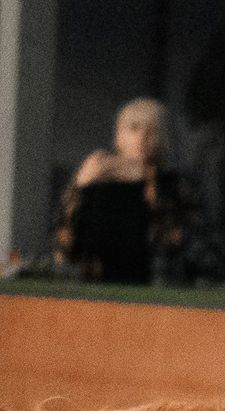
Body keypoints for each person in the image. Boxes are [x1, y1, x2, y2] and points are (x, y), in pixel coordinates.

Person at [59, 96, 192, 285]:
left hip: (152, 288)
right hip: (95, 287)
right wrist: (81, 187)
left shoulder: (174, 186)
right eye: (134, 128)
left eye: (152, 130)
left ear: (164, 138)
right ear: (119, 136)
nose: (143, 138)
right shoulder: (99, 178)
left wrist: (153, 195)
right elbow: (67, 247)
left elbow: (181, 248)